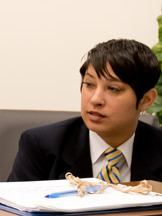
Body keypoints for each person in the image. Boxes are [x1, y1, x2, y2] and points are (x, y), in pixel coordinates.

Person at [8, 38, 162, 182]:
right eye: (89, 84)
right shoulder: (42, 146)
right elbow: (11, 209)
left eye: (113, 88)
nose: (95, 99)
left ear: (146, 100)